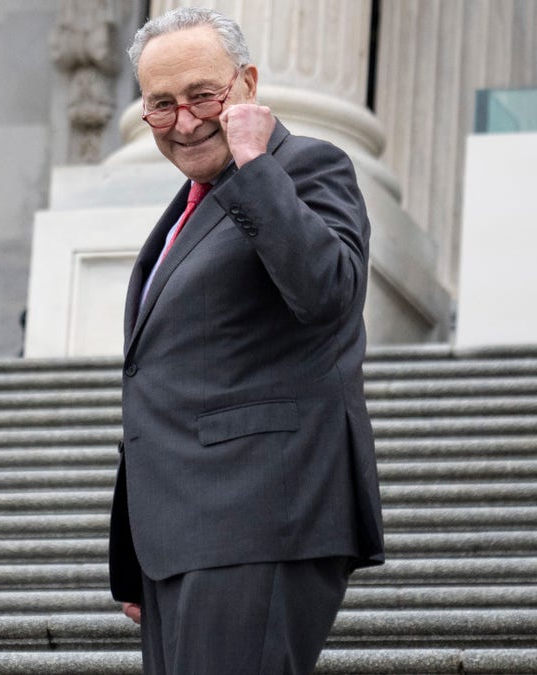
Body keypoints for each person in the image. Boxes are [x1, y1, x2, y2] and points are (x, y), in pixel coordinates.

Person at [108, 7, 385, 674]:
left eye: (203, 95)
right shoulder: (189, 205)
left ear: (249, 84)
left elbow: (328, 293)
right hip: (184, 538)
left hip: (261, 516)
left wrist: (254, 162)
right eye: (161, 105)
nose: (184, 121)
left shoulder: (307, 167)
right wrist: (137, 552)